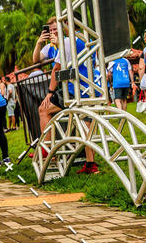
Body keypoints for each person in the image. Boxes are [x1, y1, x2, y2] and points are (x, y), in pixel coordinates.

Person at [38, 21, 100, 173]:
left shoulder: (66, 42)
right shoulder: (89, 41)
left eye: (56, 28)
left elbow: (57, 70)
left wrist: (50, 92)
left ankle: (48, 151)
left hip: (76, 90)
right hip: (93, 88)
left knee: (43, 109)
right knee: (86, 126)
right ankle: (91, 164)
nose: (54, 31)